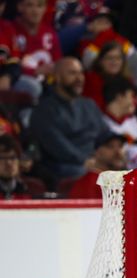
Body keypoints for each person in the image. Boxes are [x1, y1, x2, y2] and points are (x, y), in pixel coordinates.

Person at [28, 57, 110, 189]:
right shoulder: (44, 110)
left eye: (80, 73)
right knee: (87, 175)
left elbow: (106, 135)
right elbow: (57, 145)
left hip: (94, 162)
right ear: (58, 77)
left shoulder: (89, 105)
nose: (79, 78)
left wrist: (114, 151)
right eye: (72, 73)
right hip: (63, 166)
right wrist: (85, 160)